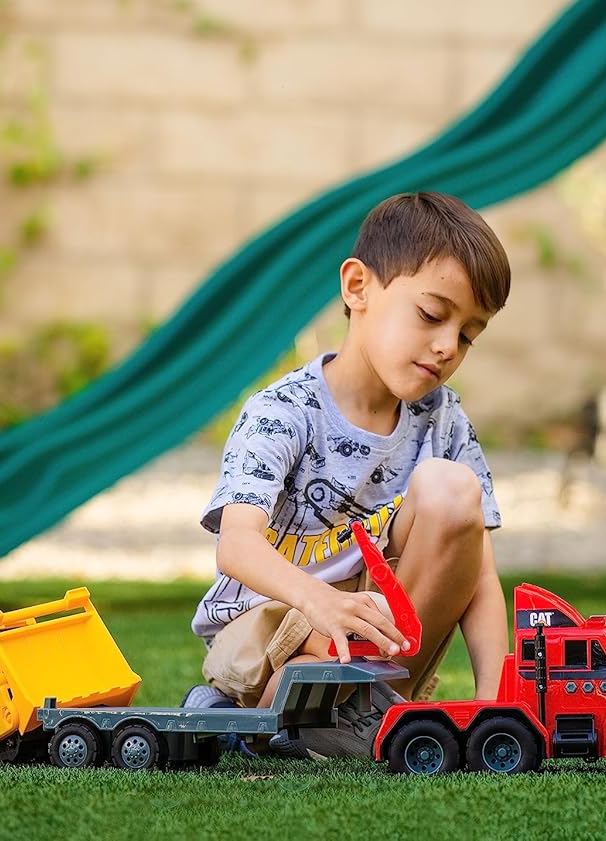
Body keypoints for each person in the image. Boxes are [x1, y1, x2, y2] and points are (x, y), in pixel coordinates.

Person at [184, 191, 513, 758]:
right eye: (432, 315)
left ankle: (366, 710)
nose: (446, 347)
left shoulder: (443, 418)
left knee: (455, 494)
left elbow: (477, 568)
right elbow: (236, 546)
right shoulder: (282, 412)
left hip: (376, 639)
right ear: (358, 287)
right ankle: (256, 714)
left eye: (467, 335)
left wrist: (495, 701)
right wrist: (322, 604)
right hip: (275, 619)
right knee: (307, 656)